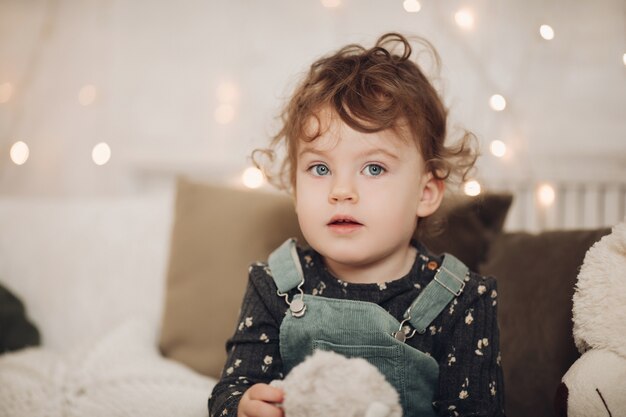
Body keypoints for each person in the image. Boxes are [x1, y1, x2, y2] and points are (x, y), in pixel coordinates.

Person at [209, 32, 505, 417]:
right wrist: (243, 407)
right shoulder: (275, 285)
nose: (341, 190)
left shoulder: (462, 300)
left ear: (426, 192)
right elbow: (232, 390)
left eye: (374, 168)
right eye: (320, 168)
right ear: (295, 187)